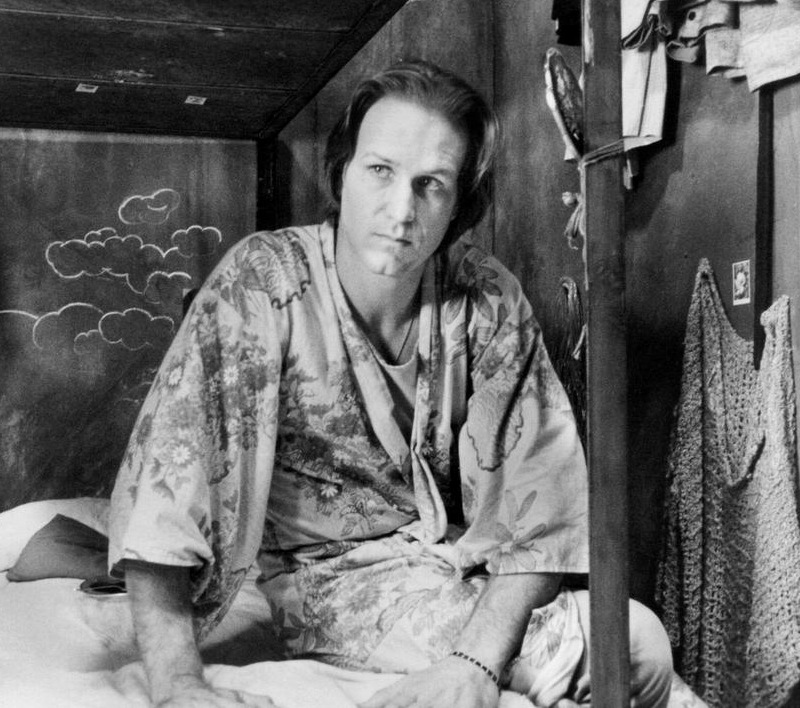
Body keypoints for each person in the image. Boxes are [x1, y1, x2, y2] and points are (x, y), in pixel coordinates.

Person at [108, 59, 672, 708]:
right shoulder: (262, 283)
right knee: (618, 644)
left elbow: (543, 500)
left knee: (639, 640)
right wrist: (178, 684)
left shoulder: (484, 294)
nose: (402, 210)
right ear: (341, 172)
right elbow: (166, 485)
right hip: (329, 583)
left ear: (460, 205)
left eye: (431, 184)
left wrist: (473, 662)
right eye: (380, 170)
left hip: (453, 559)